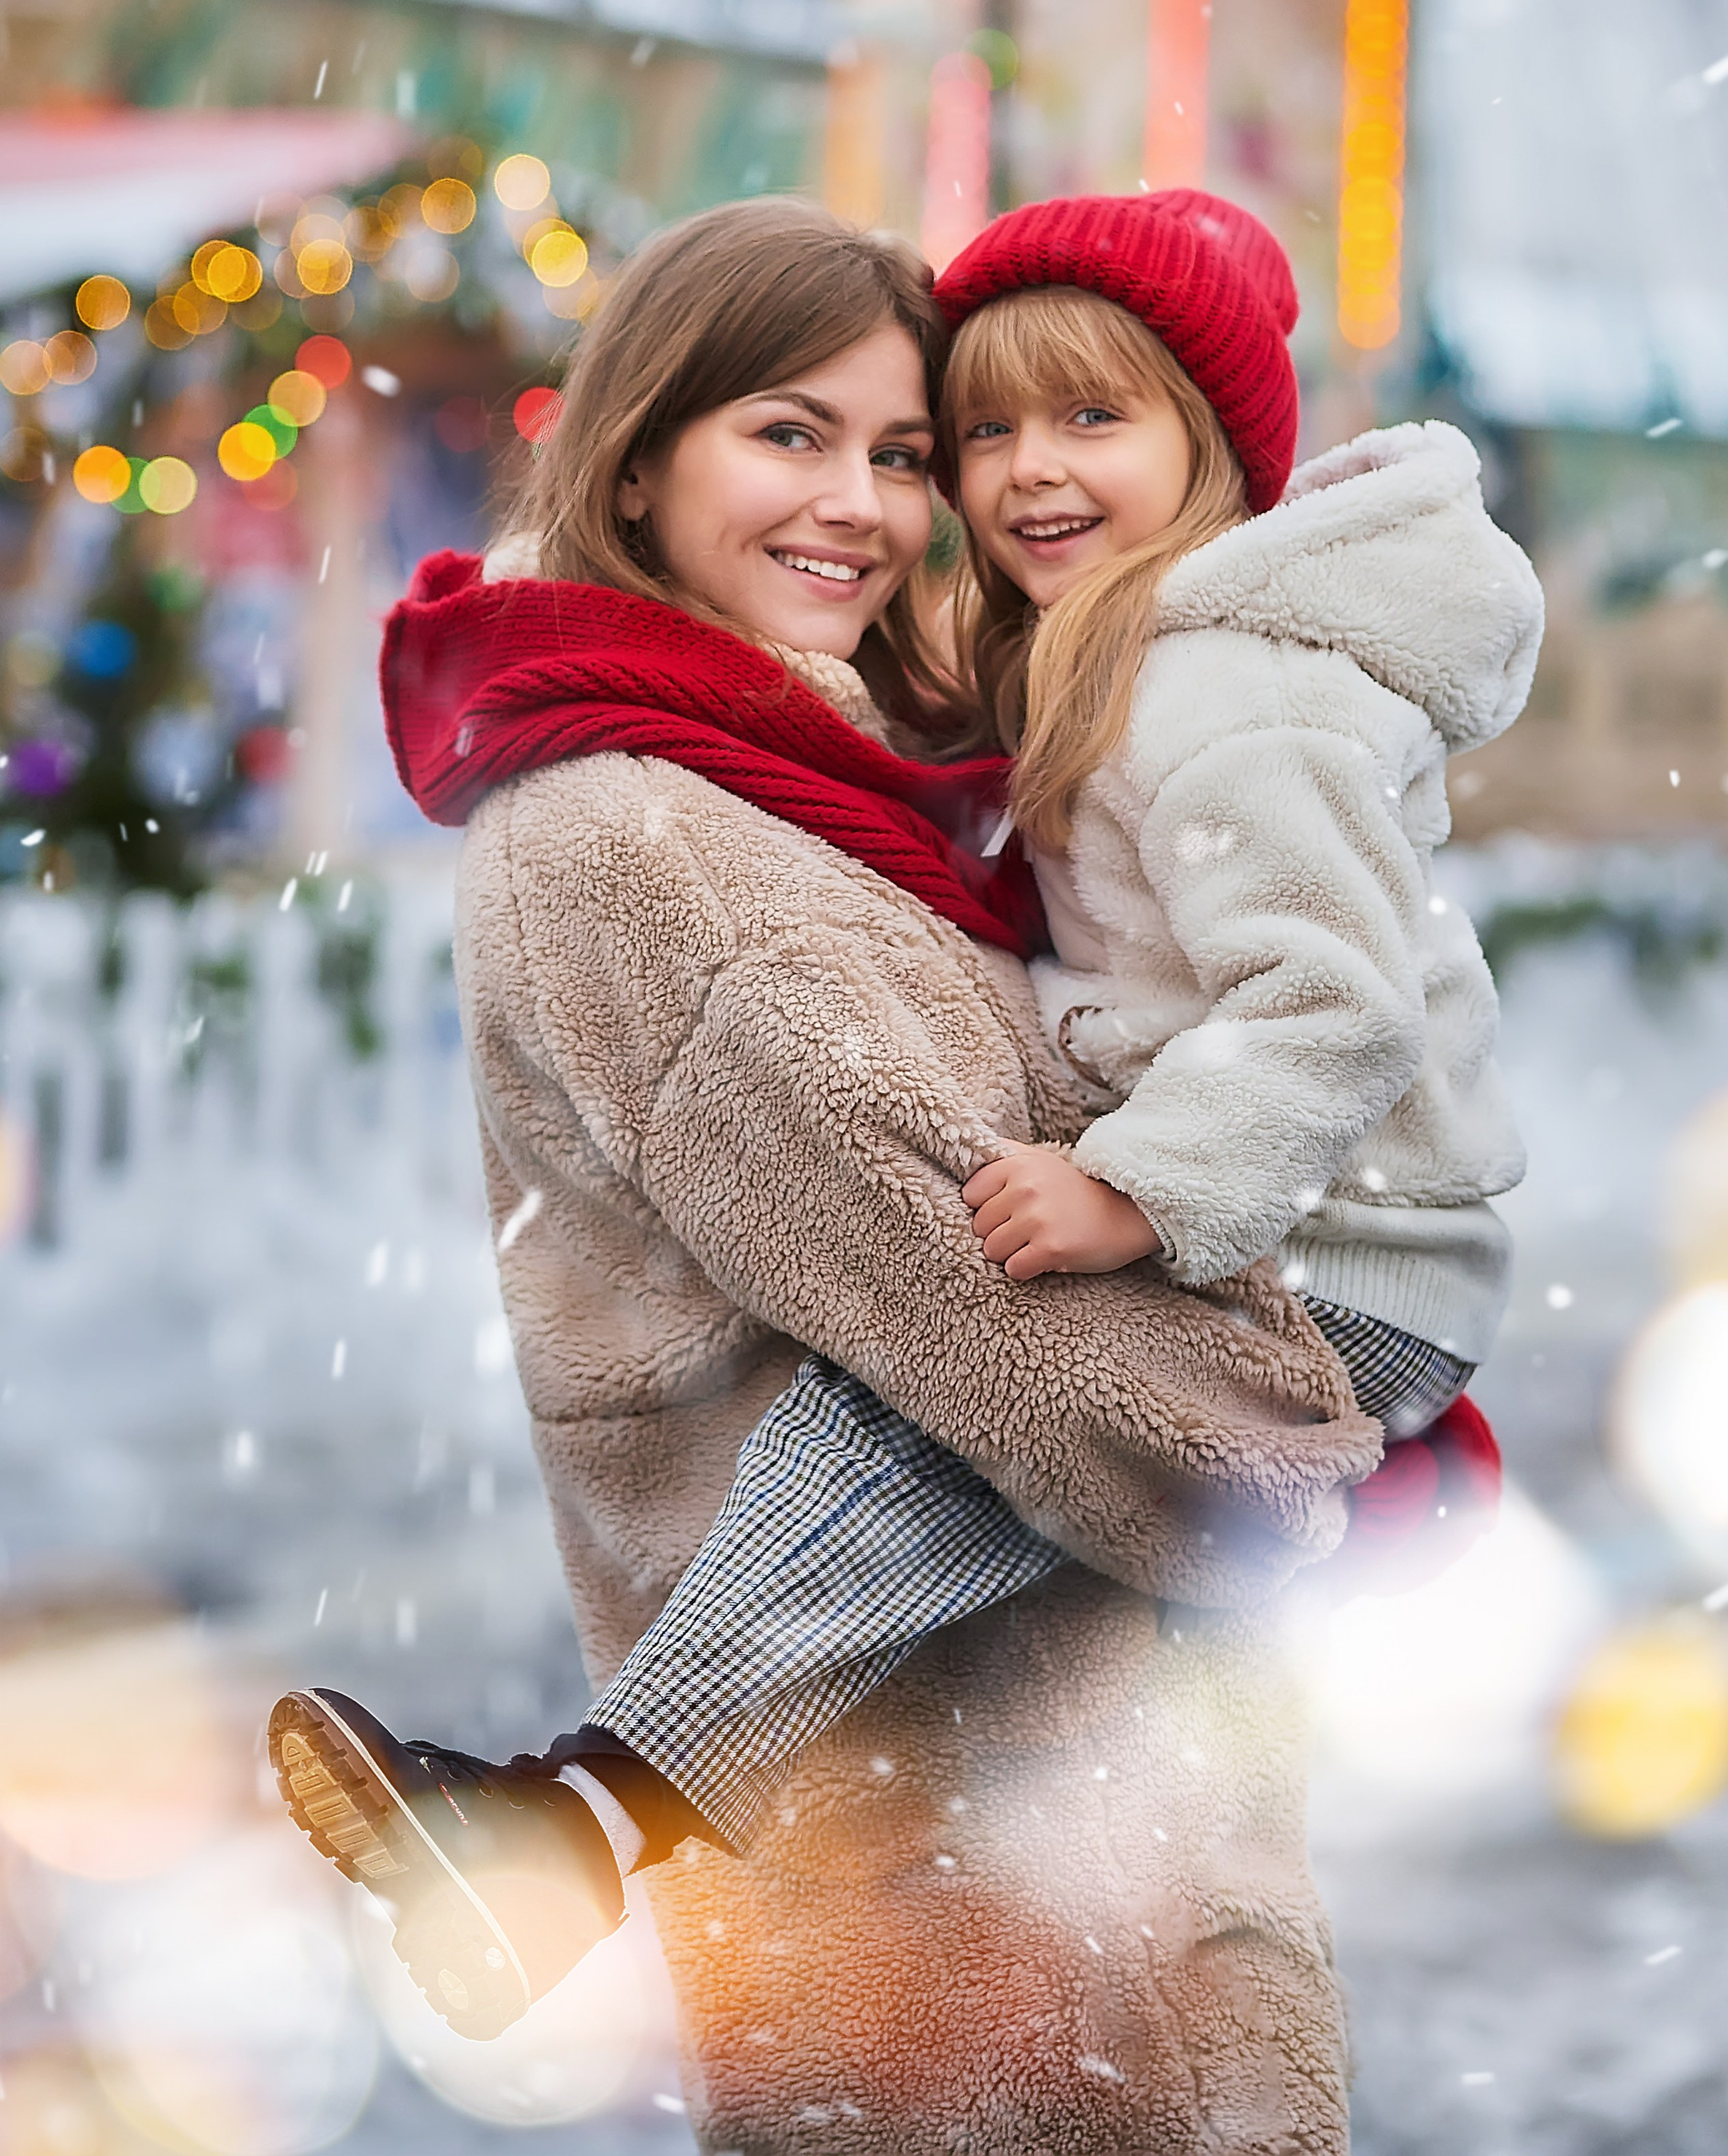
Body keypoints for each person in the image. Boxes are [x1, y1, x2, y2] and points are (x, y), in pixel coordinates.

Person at [271, 195, 1381, 2156]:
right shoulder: (645, 840)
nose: (861, 506)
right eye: (789, 434)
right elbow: (996, 1318)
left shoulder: (842, 781)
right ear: (637, 458)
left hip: (1042, 1835)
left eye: (895, 453)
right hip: (948, 1894)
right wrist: (1316, 1436)